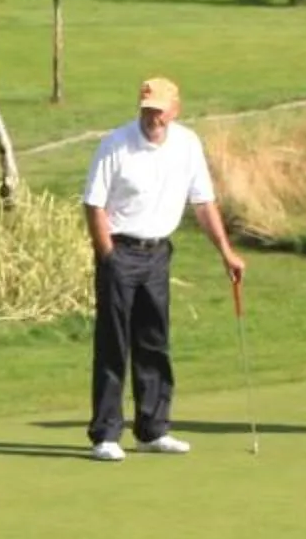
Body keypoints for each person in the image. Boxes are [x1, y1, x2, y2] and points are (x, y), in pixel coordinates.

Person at [80, 76, 246, 463]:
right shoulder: (115, 145)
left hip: (158, 254)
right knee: (113, 345)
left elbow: (203, 203)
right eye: (147, 109)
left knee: (154, 342)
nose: (153, 116)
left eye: (159, 110)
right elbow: (94, 205)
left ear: (175, 109)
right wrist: (107, 255)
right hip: (120, 250)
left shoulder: (187, 144)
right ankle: (105, 434)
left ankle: (153, 430)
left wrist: (226, 252)